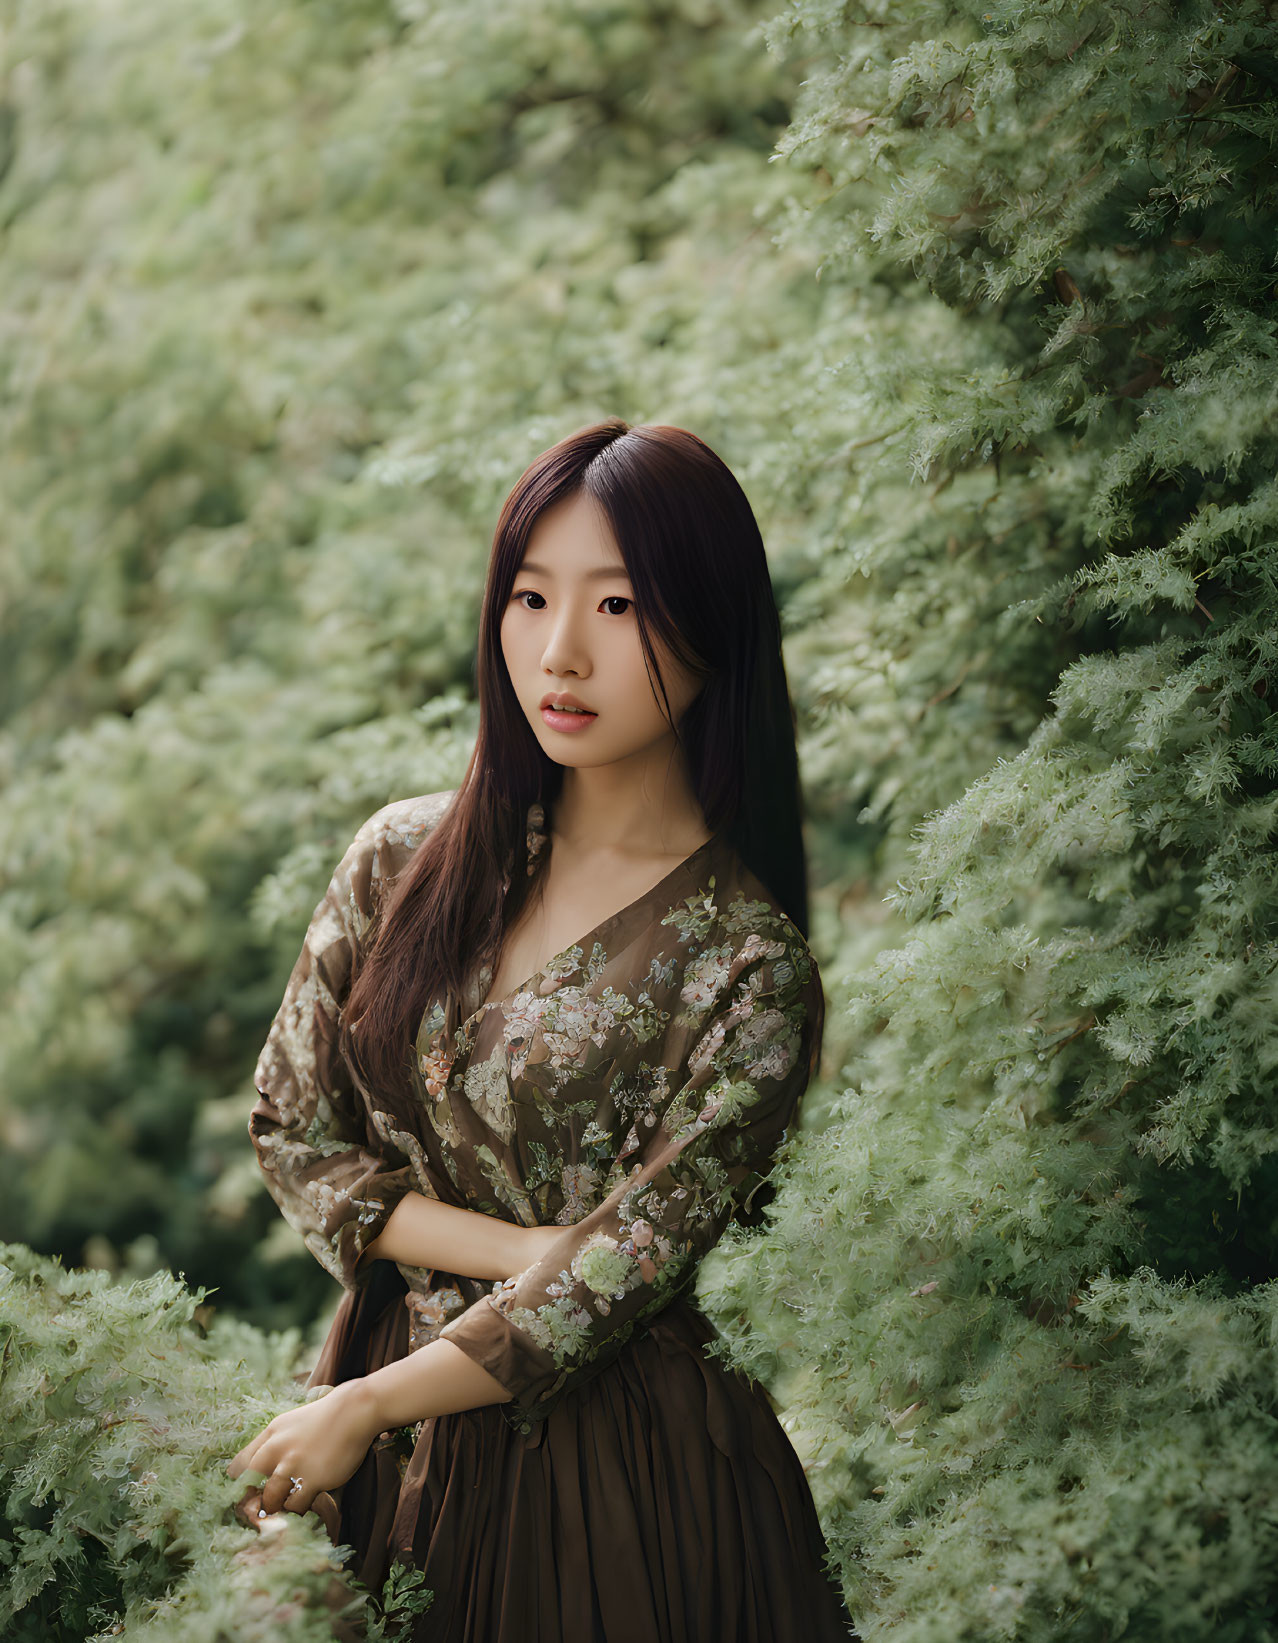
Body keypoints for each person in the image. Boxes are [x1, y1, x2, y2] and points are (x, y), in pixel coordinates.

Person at [229, 418, 857, 1640]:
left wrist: (376, 1401)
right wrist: (529, 1248)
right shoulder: (405, 857)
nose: (560, 651)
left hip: (623, 1470)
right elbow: (293, 1130)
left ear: (711, 623)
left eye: (617, 608)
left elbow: (622, 1275)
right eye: (530, 595)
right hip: (377, 1417)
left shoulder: (748, 964)